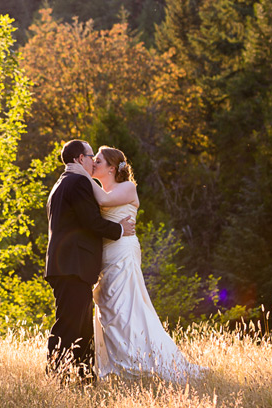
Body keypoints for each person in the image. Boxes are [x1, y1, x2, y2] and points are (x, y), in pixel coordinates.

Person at [67, 146, 204, 384]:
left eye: (98, 160)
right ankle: (118, 362)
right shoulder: (98, 188)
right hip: (105, 255)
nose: (94, 163)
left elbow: (105, 200)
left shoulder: (127, 188)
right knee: (108, 307)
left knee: (126, 306)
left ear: (112, 167)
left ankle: (140, 361)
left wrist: (79, 172)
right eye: (93, 160)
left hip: (123, 252)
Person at [45, 139, 134, 382]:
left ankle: (84, 379)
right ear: (79, 159)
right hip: (72, 265)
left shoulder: (62, 184)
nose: (93, 160)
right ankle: (55, 377)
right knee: (69, 324)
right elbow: (90, 221)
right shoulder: (77, 182)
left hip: (69, 265)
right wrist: (119, 229)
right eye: (90, 155)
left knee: (82, 326)